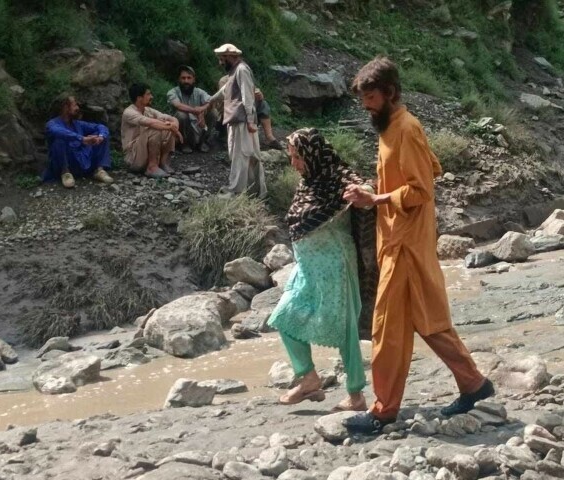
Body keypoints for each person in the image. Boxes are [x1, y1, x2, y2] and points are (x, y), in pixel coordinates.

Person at [342, 57, 494, 434]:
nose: (366, 106)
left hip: (405, 245)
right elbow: (421, 171)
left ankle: (383, 410)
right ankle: (474, 384)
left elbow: (422, 188)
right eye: (363, 99)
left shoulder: (407, 128)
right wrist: (372, 191)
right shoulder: (390, 127)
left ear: (390, 93)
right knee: (429, 322)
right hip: (399, 240)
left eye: (372, 97)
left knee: (386, 328)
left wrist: (376, 200)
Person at [268, 128, 373, 412]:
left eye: (297, 157)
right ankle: (309, 378)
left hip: (336, 264)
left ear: (312, 155)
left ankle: (355, 394)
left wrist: (362, 193)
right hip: (308, 267)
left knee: (345, 327)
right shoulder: (309, 183)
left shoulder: (338, 176)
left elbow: (367, 189)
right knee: (284, 316)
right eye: (292, 157)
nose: (294, 164)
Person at [210, 43, 266, 197]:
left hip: (242, 121)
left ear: (229, 57)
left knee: (241, 156)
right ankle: (253, 190)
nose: (220, 63)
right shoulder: (235, 71)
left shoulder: (242, 70)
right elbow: (225, 90)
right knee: (242, 155)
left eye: (222, 59)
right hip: (237, 120)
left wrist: (250, 120)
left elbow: (247, 96)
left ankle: (236, 190)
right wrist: (210, 101)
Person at [43, 95, 113, 188]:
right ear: (65, 107)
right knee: (59, 139)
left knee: (99, 134)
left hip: (82, 159)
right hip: (68, 161)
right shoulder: (52, 124)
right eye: (75, 105)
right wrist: (82, 138)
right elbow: (58, 131)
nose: (78, 108)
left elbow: (101, 127)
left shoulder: (78, 124)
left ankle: (99, 170)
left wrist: (100, 137)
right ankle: (66, 173)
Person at [121, 83, 182, 178]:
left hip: (143, 153)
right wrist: (171, 127)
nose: (151, 96)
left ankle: (162, 163)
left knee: (166, 127)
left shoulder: (148, 110)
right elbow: (151, 123)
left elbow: (172, 119)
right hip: (134, 157)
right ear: (139, 98)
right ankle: (151, 167)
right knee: (156, 128)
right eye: (148, 94)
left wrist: (174, 127)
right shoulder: (129, 112)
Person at [167, 65, 216, 153]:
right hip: (182, 129)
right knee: (181, 115)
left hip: (198, 125)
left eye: (189, 78)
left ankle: (203, 141)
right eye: (183, 78)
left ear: (194, 79)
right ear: (179, 79)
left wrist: (202, 109)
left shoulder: (199, 92)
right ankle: (184, 144)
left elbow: (211, 101)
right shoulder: (172, 92)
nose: (186, 81)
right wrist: (196, 111)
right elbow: (178, 105)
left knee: (213, 112)